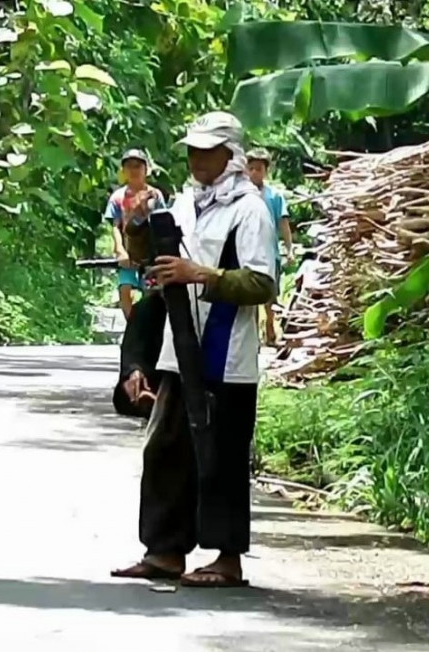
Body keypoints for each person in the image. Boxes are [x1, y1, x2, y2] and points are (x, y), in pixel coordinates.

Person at [110, 111, 277, 588]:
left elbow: (262, 283)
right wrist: (140, 226)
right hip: (176, 350)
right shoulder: (186, 203)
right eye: (194, 151)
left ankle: (227, 559)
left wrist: (201, 274)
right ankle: (163, 551)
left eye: (208, 151)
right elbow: (151, 257)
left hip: (226, 355)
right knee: (166, 449)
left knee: (222, 455)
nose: (198, 159)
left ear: (231, 156)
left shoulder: (250, 209)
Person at [105, 148, 165, 321]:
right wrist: (120, 250)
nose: (134, 170)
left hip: (151, 254)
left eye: (138, 166)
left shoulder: (155, 196)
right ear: (123, 171)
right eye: (129, 166)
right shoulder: (117, 197)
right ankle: (132, 326)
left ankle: (151, 328)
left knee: (152, 293)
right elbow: (115, 225)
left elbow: (162, 223)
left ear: (146, 170)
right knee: (125, 289)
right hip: (129, 253)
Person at [245, 147, 293, 345]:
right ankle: (253, 336)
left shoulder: (274, 196)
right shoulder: (241, 195)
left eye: (259, 169)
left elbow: (283, 223)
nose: (255, 172)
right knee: (248, 295)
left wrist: (289, 249)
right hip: (246, 251)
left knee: (270, 295)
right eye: (251, 168)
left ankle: (270, 328)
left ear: (266, 171)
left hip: (269, 252)